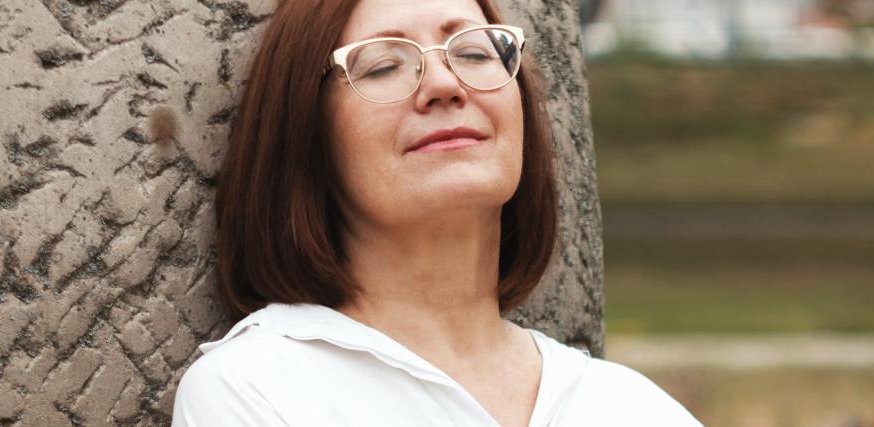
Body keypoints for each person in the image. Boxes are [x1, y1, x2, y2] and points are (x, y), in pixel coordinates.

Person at [172, 0, 702, 425]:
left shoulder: (626, 405)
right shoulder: (256, 389)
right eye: (382, 64)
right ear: (306, 133)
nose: (446, 84)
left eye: (473, 53)